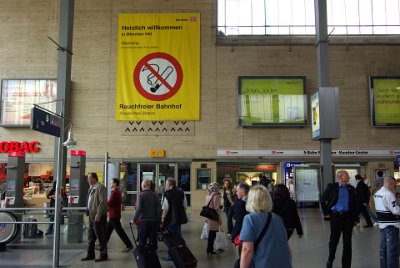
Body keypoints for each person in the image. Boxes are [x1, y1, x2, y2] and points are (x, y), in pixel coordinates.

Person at [240, 185, 292, 268]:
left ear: (251, 200)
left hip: (263, 264)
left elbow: (247, 249)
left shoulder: (250, 219)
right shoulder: (277, 218)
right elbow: (286, 245)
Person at [320, 170, 358, 268]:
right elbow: (322, 200)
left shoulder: (351, 188)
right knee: (334, 241)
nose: (349, 177)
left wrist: (355, 218)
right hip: (336, 217)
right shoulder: (332, 187)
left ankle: (346, 265)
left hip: (348, 218)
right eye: (347, 175)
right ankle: (330, 259)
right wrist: (326, 213)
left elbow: (354, 205)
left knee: (347, 243)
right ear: (340, 177)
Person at [374, 177, 400, 268]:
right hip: (391, 225)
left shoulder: (377, 193)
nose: (395, 187)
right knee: (393, 250)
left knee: (383, 249)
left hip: (382, 224)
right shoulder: (388, 194)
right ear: (390, 183)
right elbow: (395, 210)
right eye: (394, 184)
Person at [81, 172, 108, 262]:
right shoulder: (91, 189)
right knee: (91, 236)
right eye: (88, 178)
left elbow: (103, 202)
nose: (88, 180)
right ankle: (90, 254)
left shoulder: (101, 188)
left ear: (94, 179)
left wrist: (98, 214)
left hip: (98, 216)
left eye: (89, 178)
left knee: (101, 236)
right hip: (91, 216)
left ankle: (103, 254)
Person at [161, 178, 188, 260]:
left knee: (171, 239)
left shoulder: (167, 193)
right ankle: (181, 254)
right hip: (179, 219)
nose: (165, 186)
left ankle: (170, 256)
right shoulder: (181, 192)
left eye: (166, 184)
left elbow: (165, 208)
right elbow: (185, 206)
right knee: (178, 237)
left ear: (169, 185)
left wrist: (162, 219)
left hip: (170, 220)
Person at [133, 179, 162, 251]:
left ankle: (144, 257)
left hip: (144, 222)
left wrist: (134, 219)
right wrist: (160, 221)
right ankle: (152, 256)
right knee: (153, 240)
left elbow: (139, 209)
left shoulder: (141, 195)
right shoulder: (155, 195)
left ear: (144, 186)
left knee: (143, 241)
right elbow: (159, 209)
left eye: (142, 186)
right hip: (154, 222)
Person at [106, 178, 133, 252]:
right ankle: (102, 244)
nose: (110, 184)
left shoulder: (114, 192)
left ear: (115, 184)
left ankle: (129, 245)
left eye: (111, 183)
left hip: (114, 215)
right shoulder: (118, 192)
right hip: (114, 214)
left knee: (120, 231)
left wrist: (105, 203)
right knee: (108, 231)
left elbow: (110, 203)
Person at [231, 183, 250, 256]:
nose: (236, 193)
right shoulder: (252, 202)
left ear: (242, 192)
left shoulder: (241, 204)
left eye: (237, 191)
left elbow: (239, 221)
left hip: (243, 233)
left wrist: (234, 235)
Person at [204, 182, 223, 255]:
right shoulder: (216, 196)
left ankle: (210, 249)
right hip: (214, 217)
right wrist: (219, 218)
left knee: (211, 233)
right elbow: (217, 209)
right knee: (213, 234)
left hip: (209, 216)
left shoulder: (207, 196)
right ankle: (210, 250)